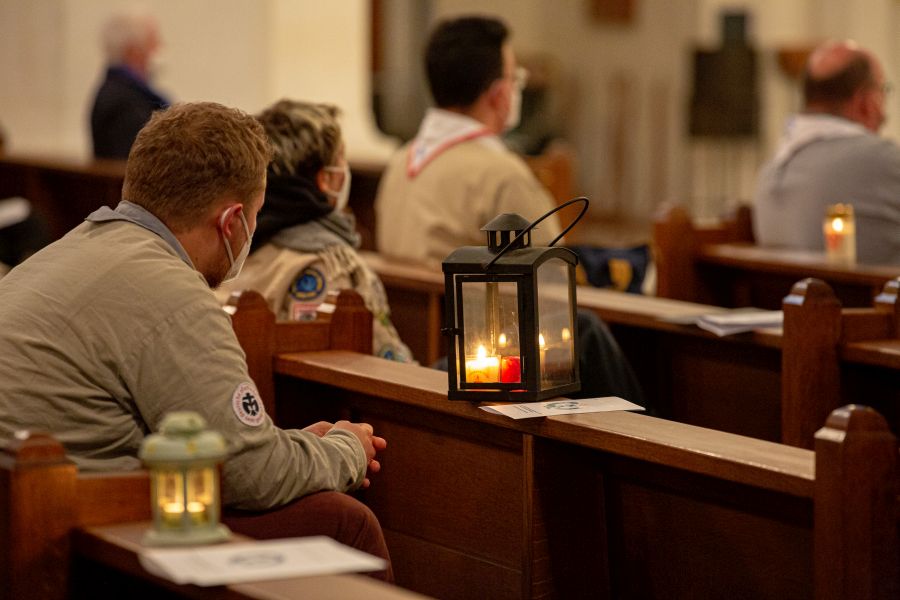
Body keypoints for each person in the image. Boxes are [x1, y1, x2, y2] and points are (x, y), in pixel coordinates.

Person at [0, 102, 392, 580]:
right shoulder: (173, 292)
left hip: (22, 512)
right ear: (232, 222)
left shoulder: (56, 254)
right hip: (67, 543)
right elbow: (250, 473)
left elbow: (223, 444)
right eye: (255, 215)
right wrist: (344, 450)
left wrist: (287, 445)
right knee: (345, 521)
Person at [216, 99, 414, 363]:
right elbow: (385, 362)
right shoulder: (331, 266)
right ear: (327, 179)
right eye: (341, 160)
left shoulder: (231, 247)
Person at [374, 15, 561, 267]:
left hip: (407, 305)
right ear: (499, 95)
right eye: (513, 78)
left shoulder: (400, 162)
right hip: (463, 307)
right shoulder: (502, 175)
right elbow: (551, 276)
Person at [753, 39, 900, 264]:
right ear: (866, 102)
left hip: (779, 298)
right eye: (883, 90)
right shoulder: (886, 161)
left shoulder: (769, 171)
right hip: (866, 299)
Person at [89, 8, 170, 159]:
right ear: (133, 50)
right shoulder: (123, 103)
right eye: (153, 42)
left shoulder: (123, 92)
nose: (160, 48)